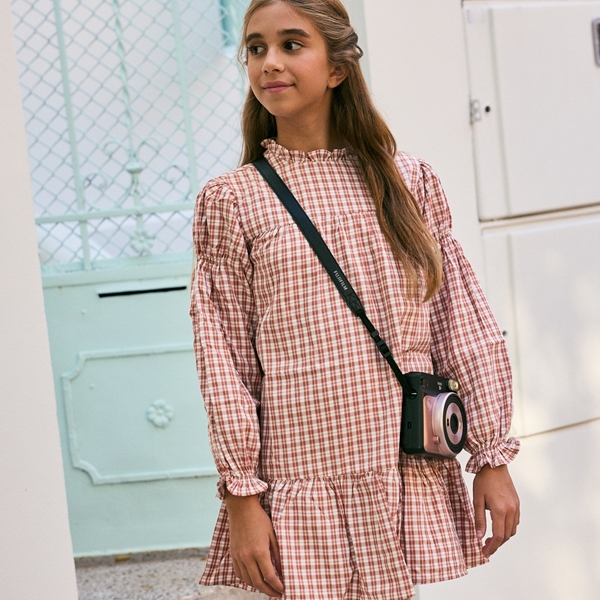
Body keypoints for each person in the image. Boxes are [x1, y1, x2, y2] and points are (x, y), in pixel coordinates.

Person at [190, 1, 520, 598]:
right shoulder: (232, 200)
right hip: (301, 479)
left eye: (292, 45)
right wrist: (242, 496)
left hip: (399, 464)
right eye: (256, 48)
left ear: (338, 67)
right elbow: (224, 359)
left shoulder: (407, 181)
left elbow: (458, 321)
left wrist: (491, 456)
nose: (269, 63)